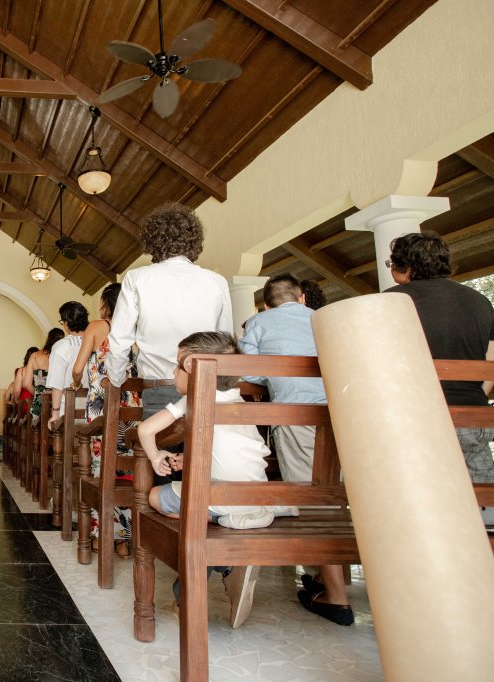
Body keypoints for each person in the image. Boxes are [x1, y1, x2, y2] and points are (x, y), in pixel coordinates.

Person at [136, 331, 273, 629]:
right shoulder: (238, 400)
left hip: (220, 500)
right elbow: (229, 454)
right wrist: (189, 459)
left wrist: (156, 456)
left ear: (191, 368)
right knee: (198, 502)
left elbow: (144, 430)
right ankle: (225, 559)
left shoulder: (192, 400)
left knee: (155, 497)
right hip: (255, 498)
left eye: (176, 365)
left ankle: (215, 533)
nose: (173, 372)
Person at [238, 274, 351, 625]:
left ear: (266, 304)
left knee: (312, 498)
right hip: (343, 416)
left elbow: (252, 376)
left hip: (296, 414)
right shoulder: (322, 318)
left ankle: (336, 596)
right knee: (339, 494)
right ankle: (330, 577)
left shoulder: (257, 323)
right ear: (302, 297)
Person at [387, 231, 494, 485]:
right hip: (474, 412)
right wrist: (474, 394)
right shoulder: (480, 301)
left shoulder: (391, 300)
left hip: (416, 415)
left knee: (424, 489)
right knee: (481, 489)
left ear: (406, 266)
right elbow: (490, 362)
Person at [108, 203, 233, 419]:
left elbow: (120, 339)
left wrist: (116, 380)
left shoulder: (137, 279)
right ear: (193, 240)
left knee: (157, 441)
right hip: (205, 387)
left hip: (159, 387)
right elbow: (225, 341)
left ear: (153, 240)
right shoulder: (217, 282)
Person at [71, 283, 142, 556]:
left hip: (103, 404)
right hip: (131, 403)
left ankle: (101, 536)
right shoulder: (135, 330)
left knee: (102, 467)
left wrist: (77, 381)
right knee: (127, 469)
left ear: (105, 305)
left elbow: (78, 368)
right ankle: (123, 541)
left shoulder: (98, 326)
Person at [47, 301, 90, 426]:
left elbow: (57, 383)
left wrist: (55, 413)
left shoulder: (62, 346)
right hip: (93, 410)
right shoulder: (95, 343)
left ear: (66, 323)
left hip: (68, 411)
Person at [23, 329, 65, 419]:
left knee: (36, 424)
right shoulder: (63, 355)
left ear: (48, 338)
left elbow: (26, 383)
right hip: (59, 404)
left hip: (39, 404)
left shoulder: (34, 356)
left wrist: (38, 394)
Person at [12, 346, 39, 413]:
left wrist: (16, 400)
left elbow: (17, 391)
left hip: (25, 403)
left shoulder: (22, 370)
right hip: (38, 404)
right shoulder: (40, 371)